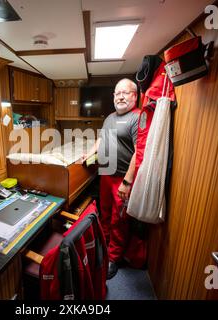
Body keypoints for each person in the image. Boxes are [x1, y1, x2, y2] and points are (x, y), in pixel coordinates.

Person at [81, 78, 139, 279]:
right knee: (104, 214)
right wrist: (89, 153)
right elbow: (101, 139)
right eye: (117, 93)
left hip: (122, 179)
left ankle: (114, 257)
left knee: (119, 220)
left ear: (134, 95)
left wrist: (127, 182)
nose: (120, 96)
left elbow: (140, 152)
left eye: (125, 92)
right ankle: (104, 247)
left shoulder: (137, 117)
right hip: (106, 175)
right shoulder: (109, 118)